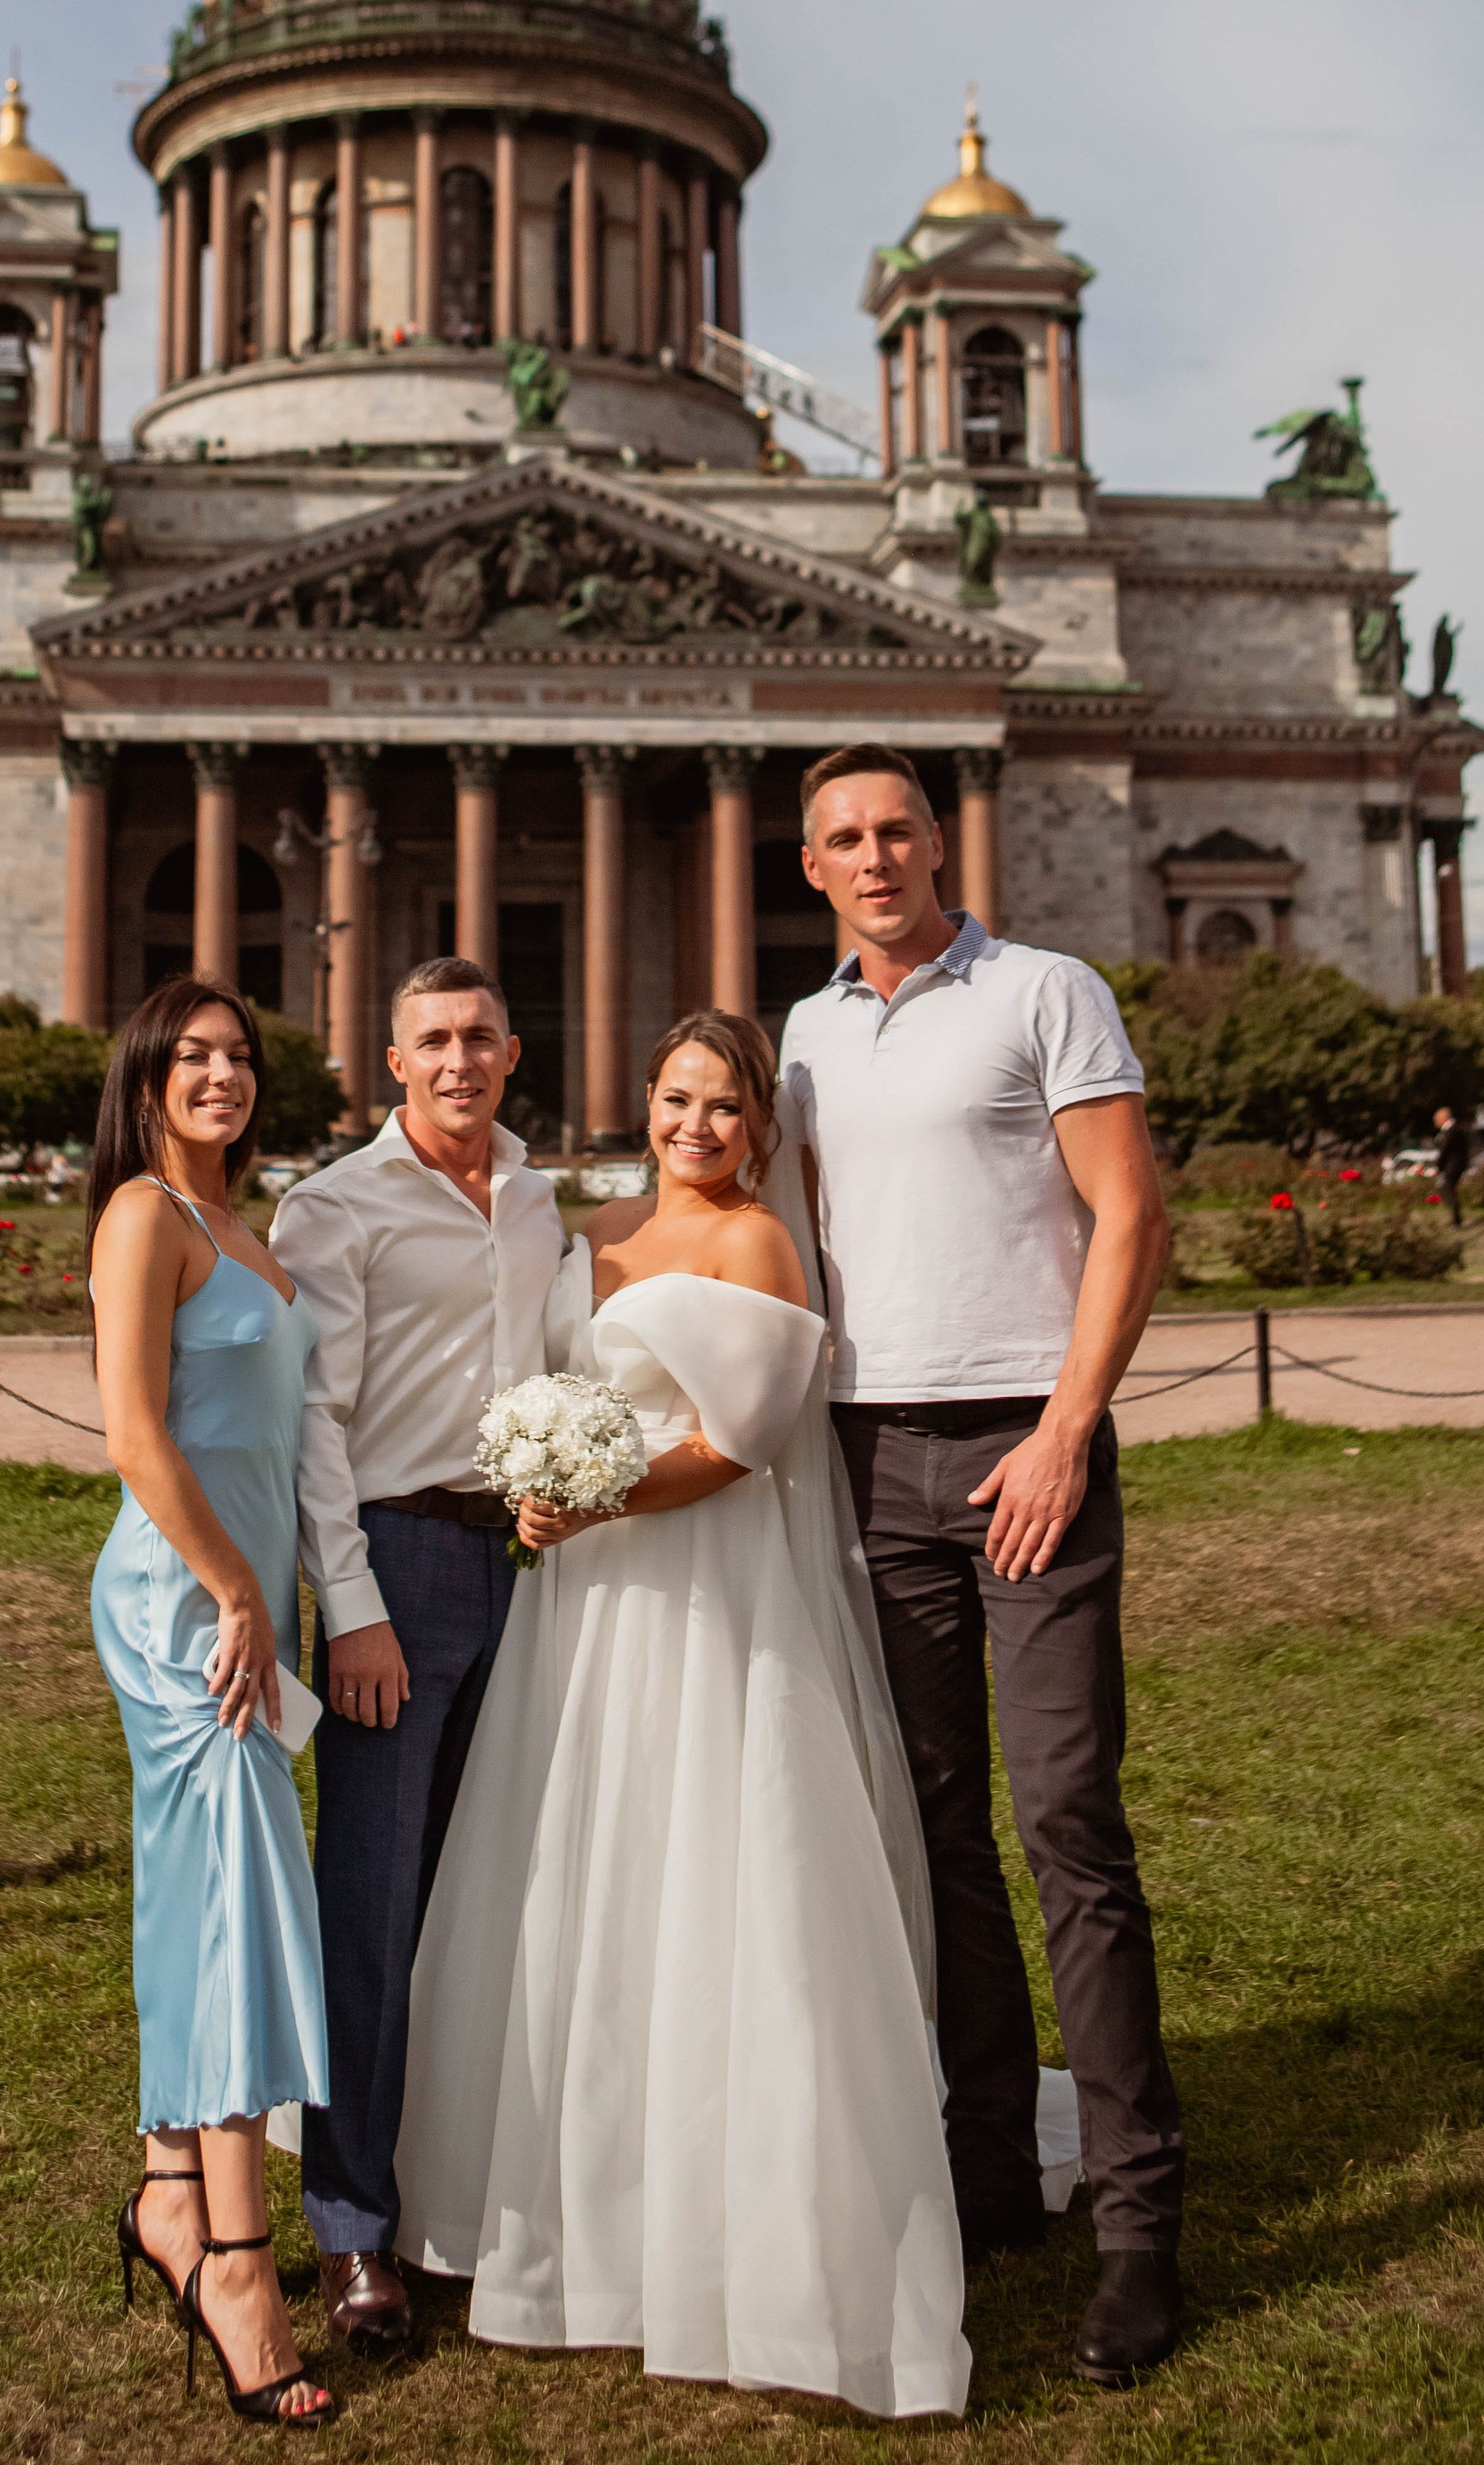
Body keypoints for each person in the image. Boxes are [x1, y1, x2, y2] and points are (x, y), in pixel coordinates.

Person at [397, 1009, 971, 2420]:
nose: (695, 1127)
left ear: (758, 1130)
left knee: (718, 1874)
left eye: (723, 1107)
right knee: (577, 1872)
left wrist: (595, 1494)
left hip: (710, 1600)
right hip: (585, 1618)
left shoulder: (759, 1248)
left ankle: (735, 2225)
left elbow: (747, 1443)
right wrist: (540, 1479)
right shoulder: (596, 1233)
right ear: (642, 1103)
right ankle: (558, 2200)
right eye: (675, 1099)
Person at [781, 744, 1185, 2389]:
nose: (876, 858)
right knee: (937, 1827)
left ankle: (1142, 2222)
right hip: (874, 1460)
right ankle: (988, 2170)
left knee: (1066, 1818)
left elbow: (1132, 1217)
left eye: (897, 830)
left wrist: (1068, 1425)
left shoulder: (1046, 990)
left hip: (1029, 1446)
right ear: (810, 869)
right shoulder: (805, 1032)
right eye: (844, 840)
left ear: (939, 845)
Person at [270, 957, 566, 2354]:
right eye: (432, 1041)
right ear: (392, 1061)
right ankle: (353, 2230)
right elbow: (314, 1422)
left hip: (531, 1563)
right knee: (375, 1911)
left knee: (495, 1890)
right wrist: (354, 1605)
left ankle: (459, 2188)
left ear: (515, 1053)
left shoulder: (534, 1195)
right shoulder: (337, 1207)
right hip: (399, 1566)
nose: (459, 1060)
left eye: (480, 1038)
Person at [88, 975, 334, 2428]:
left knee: (201, 1900)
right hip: (187, 1609)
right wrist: (239, 1593)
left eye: (239, 1055)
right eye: (192, 1057)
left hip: (250, 1605)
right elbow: (132, 1427)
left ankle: (171, 2193)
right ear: (148, 1076)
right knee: (238, 1906)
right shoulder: (144, 1219)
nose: (222, 1075)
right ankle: (241, 2266)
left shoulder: (254, 1224)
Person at [1432, 1105, 1472, 1227]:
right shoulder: (1458, 1129)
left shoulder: (1451, 1131)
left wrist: (1437, 1167)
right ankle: (1456, 1219)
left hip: (1452, 1166)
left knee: (1449, 1191)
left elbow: (1445, 1151)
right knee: (1449, 1191)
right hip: (1456, 1165)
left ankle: (1456, 1221)